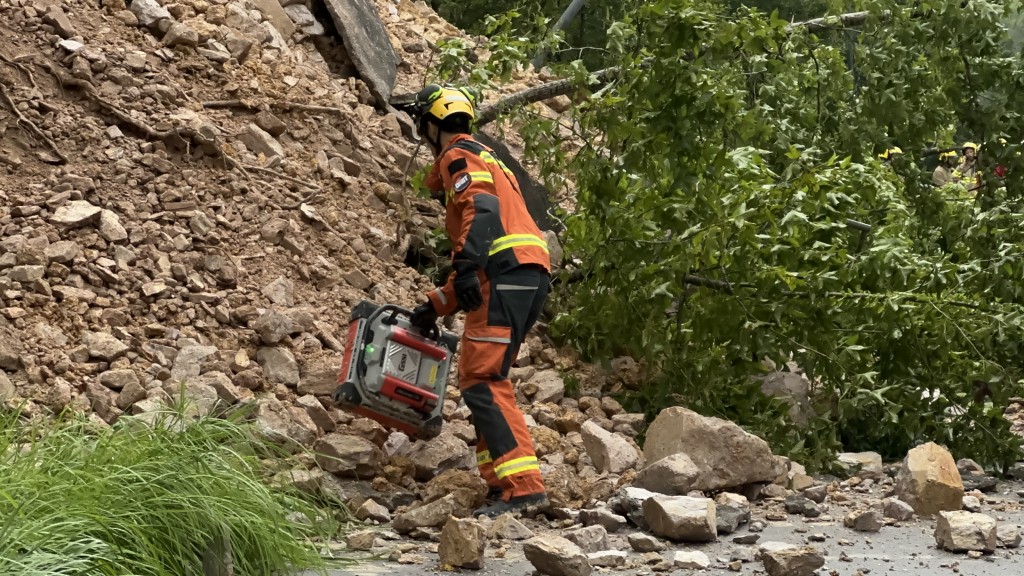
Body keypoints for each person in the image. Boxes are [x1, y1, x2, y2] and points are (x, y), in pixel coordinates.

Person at [406, 84, 551, 517]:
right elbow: (493, 247)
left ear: (431, 125)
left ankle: (523, 488)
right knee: (486, 376)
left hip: (505, 277)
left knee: (481, 378)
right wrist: (437, 303)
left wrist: (465, 266)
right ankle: (499, 480)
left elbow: (482, 212)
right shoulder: (492, 160)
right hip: (526, 276)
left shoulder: (458, 155)